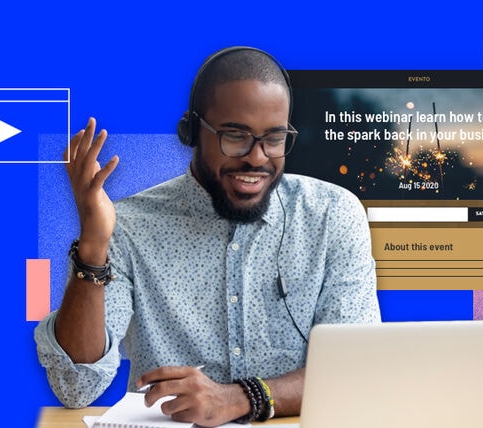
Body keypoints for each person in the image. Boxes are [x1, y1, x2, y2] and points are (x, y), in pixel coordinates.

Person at [34, 47, 381, 426]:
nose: (258, 158)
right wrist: (94, 244)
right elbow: (75, 387)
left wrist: (239, 398)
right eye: (236, 136)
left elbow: (357, 372)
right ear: (192, 132)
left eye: (274, 138)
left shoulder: (332, 216)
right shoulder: (128, 227)